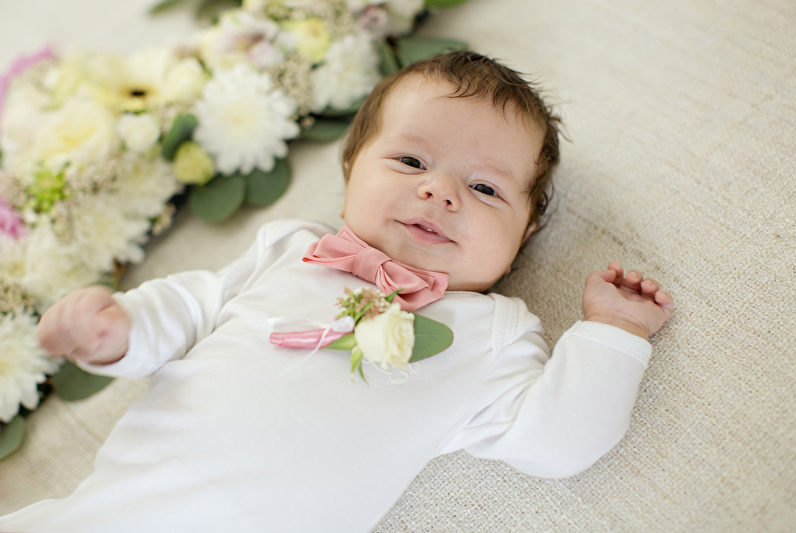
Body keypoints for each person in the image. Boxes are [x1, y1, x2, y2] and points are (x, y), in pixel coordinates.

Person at [0, 52, 673, 533]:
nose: (439, 191)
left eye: (484, 188)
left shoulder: (490, 334)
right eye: (410, 160)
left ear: (524, 235)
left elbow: (559, 442)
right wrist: (118, 327)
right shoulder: (291, 248)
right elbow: (190, 307)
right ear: (352, 170)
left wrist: (612, 334)